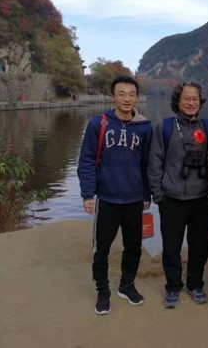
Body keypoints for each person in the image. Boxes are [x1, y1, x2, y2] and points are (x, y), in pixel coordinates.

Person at [77, 76, 153, 315]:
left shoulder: (145, 127)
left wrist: (147, 193)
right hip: (107, 198)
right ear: (113, 97)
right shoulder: (98, 124)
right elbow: (86, 160)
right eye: (122, 94)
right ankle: (103, 290)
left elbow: (147, 164)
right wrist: (88, 194)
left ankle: (126, 285)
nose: (127, 99)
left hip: (134, 199)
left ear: (137, 97)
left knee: (134, 247)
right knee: (101, 249)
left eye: (131, 94)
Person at [148, 82, 208, 309]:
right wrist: (158, 195)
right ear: (177, 100)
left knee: (200, 246)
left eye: (195, 99)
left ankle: (195, 284)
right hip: (171, 198)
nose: (191, 102)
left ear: (200, 102)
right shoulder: (164, 127)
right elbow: (155, 163)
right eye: (186, 98)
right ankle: (173, 286)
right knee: (171, 246)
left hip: (202, 199)